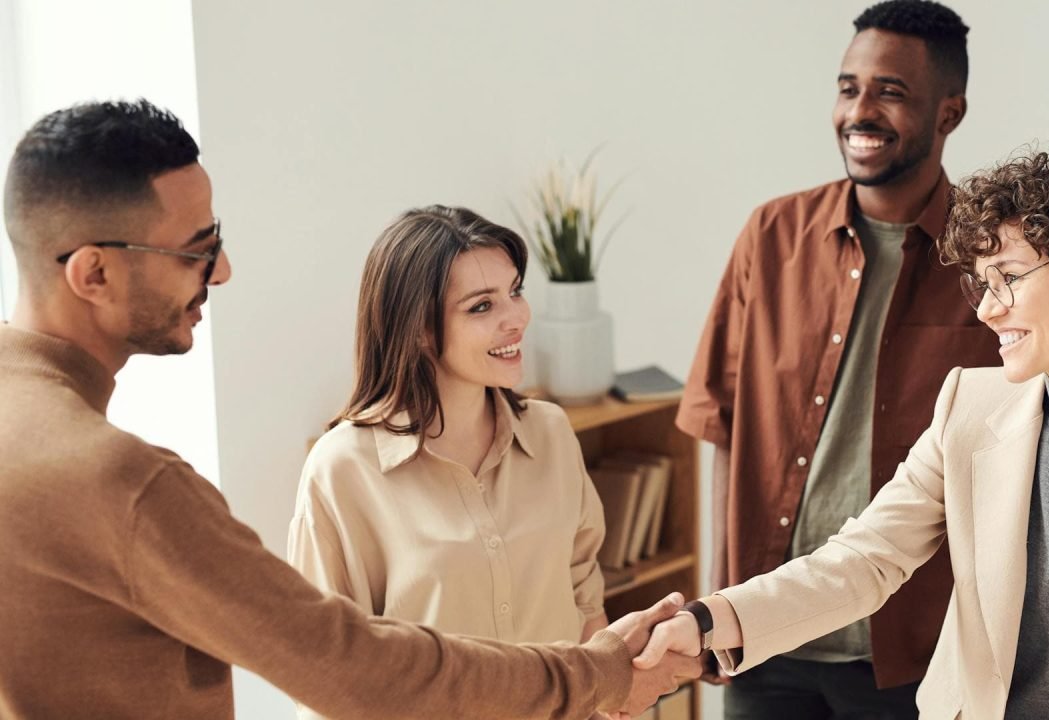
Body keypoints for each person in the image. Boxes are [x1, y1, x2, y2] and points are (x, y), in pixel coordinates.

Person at [0, 98, 699, 719]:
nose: (223, 271)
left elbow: (580, 589)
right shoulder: (123, 482)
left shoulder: (27, 430)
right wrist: (597, 674)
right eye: (197, 250)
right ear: (92, 272)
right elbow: (344, 668)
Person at [641, 149, 1049, 718]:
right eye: (983, 281)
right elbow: (864, 560)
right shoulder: (966, 409)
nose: (986, 307)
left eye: (1011, 276)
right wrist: (709, 619)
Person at [676, 1, 998, 716]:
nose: (860, 111)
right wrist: (718, 604)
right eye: (849, 87)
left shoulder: (990, 262)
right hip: (762, 640)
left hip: (912, 654)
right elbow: (724, 429)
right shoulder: (770, 235)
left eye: (890, 91)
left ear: (950, 114)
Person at [288, 206, 611, 718]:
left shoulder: (550, 433)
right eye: (482, 306)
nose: (516, 317)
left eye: (515, 290)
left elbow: (584, 593)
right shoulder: (343, 470)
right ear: (418, 328)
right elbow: (325, 669)